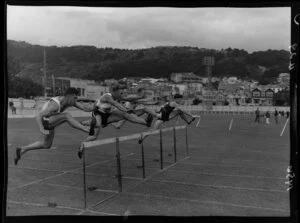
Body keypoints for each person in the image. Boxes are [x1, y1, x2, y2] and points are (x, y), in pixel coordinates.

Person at [14, 88, 94, 165]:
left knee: (47, 145)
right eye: (75, 98)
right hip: (44, 120)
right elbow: (38, 116)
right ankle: (87, 130)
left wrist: (98, 106)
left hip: (50, 121)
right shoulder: (55, 104)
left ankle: (22, 149)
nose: (76, 100)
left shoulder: (70, 101)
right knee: (66, 115)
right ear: (69, 96)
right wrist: (41, 128)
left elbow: (84, 108)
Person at [77, 85, 154, 158]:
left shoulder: (118, 96)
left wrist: (139, 97)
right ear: (114, 92)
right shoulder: (107, 96)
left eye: (122, 93)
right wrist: (126, 109)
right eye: (120, 92)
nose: (122, 94)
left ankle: (145, 122)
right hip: (98, 114)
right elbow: (115, 104)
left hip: (108, 115)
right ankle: (82, 144)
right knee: (94, 136)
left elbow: (129, 98)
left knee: (125, 115)